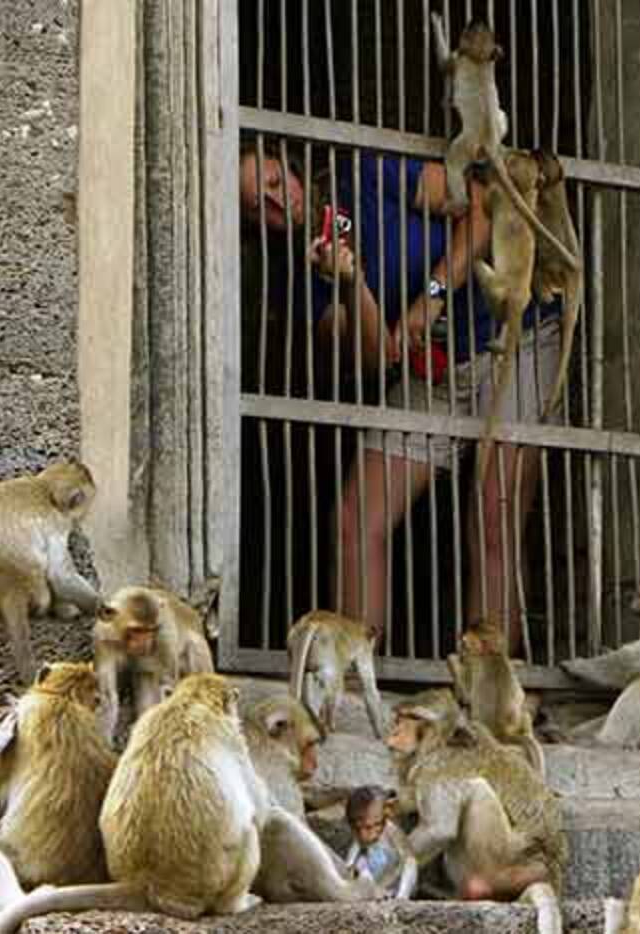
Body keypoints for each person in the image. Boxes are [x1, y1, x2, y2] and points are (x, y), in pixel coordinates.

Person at [239, 140, 562, 653]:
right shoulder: (295, 276)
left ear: (292, 165)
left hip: (512, 337)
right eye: (260, 207)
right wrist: (351, 282)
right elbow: (375, 358)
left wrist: (431, 297)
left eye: (277, 183)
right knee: (355, 518)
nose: (279, 204)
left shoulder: (364, 177)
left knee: (494, 512)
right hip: (432, 371)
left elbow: (484, 206)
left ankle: (491, 675)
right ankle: (358, 676)